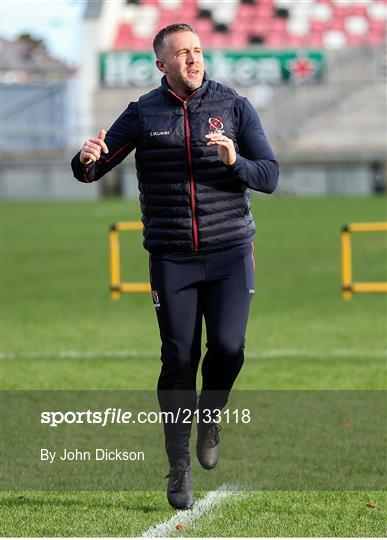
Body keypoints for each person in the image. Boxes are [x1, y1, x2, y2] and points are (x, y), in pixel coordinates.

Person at [71, 23, 279, 510]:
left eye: (197, 51)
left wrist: (236, 163)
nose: (192, 59)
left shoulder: (234, 106)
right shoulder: (143, 113)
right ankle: (178, 466)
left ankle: (212, 415)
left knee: (228, 348)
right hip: (171, 256)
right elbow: (93, 168)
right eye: (181, 53)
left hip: (230, 251)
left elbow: (269, 174)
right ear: (161, 64)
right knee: (179, 359)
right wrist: (85, 159)